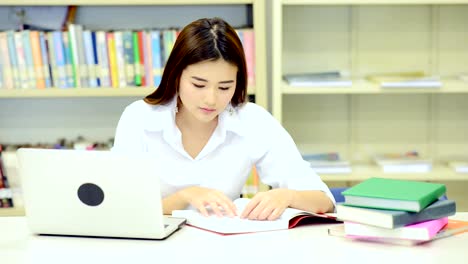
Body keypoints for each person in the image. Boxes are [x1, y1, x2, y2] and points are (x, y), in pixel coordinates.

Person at [112, 17, 335, 221]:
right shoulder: (139, 118)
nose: (211, 99)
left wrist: (287, 196)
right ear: (176, 75)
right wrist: (185, 197)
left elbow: (324, 200)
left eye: (224, 87)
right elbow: (119, 207)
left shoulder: (252, 120)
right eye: (198, 85)